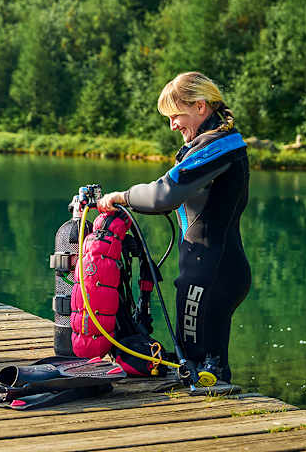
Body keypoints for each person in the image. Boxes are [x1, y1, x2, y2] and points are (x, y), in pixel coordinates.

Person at [96, 72, 251, 385]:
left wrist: (119, 197)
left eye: (176, 115)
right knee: (207, 368)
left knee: (196, 367)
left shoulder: (217, 147)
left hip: (208, 276)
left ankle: (209, 424)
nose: (172, 125)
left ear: (200, 107)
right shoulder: (218, 144)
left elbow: (163, 195)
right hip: (213, 270)